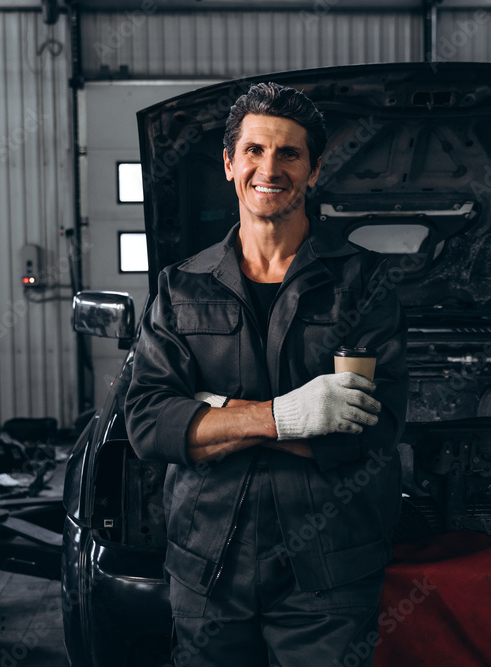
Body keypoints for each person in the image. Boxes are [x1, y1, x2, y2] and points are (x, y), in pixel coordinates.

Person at [125, 81, 408, 667]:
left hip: (330, 570)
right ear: (230, 164)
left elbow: (373, 429)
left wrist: (214, 419)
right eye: (254, 150)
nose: (269, 168)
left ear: (314, 169)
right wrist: (287, 417)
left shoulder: (364, 284)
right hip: (208, 564)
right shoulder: (181, 288)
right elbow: (150, 424)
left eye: (289, 153)